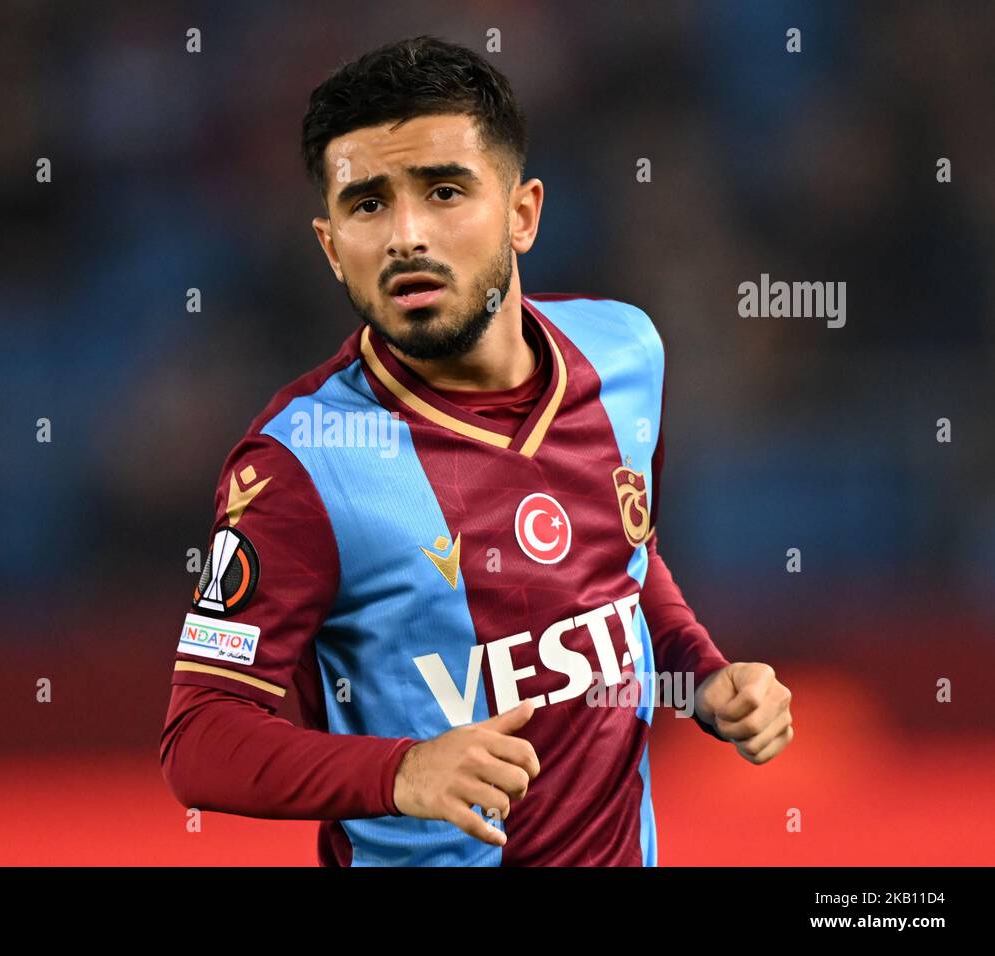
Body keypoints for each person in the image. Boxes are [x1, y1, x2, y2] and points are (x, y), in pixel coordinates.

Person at [160, 35, 793, 866]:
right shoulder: (301, 464)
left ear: (523, 213)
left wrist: (701, 673)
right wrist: (403, 772)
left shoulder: (625, 352)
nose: (405, 236)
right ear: (329, 245)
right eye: (367, 205)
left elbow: (624, 555)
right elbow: (200, 739)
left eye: (445, 191)